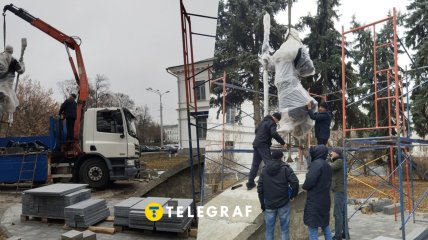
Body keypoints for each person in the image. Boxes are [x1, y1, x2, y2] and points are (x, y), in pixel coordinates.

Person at [257, 150, 299, 240]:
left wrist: (262, 204)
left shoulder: (264, 169)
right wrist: (292, 196)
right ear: (281, 157)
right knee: (284, 229)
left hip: (269, 204)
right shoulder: (285, 168)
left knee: (269, 230)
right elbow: (295, 182)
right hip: (283, 203)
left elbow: (260, 188)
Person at [247, 112, 286, 190]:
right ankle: (271, 182)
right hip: (263, 145)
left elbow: (256, 131)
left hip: (256, 144)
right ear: (276, 118)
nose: (277, 123)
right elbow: (274, 133)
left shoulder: (263, 121)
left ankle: (250, 183)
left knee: (255, 164)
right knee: (269, 163)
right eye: (277, 121)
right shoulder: (272, 123)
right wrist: (282, 143)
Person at [303, 145, 333, 240]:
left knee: (313, 228)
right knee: (325, 226)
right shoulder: (327, 165)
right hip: (325, 199)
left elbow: (310, 181)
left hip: (315, 201)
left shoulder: (316, 164)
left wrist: (305, 186)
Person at [329, 148, 350, 240]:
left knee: (337, 214)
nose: (331, 153)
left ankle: (338, 236)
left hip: (339, 190)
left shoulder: (339, 161)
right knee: (343, 213)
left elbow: (329, 167)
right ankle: (345, 234)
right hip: (341, 190)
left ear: (337, 153)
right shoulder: (340, 160)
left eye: (332, 152)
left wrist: (324, 160)